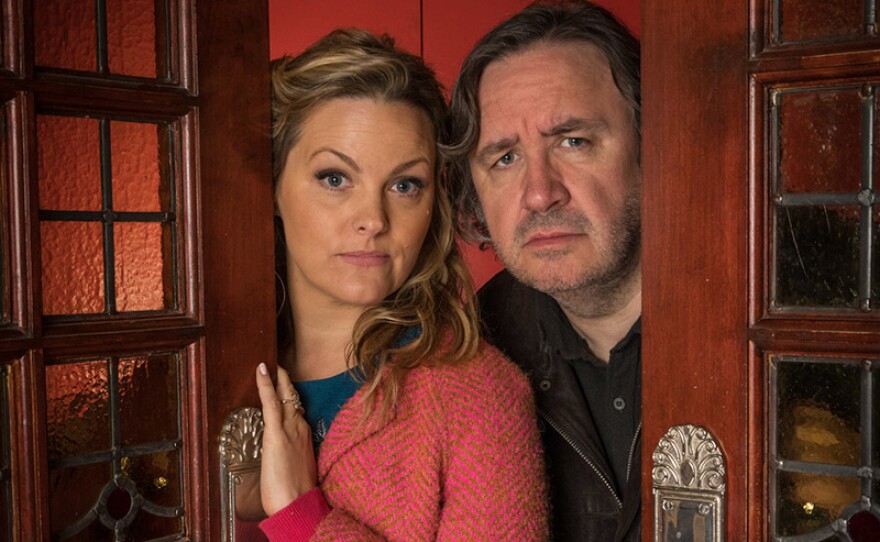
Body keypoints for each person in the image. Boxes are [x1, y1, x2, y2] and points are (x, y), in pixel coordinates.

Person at [252, 28, 549, 541]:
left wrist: (302, 520)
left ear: (434, 204)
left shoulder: (480, 399)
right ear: (273, 186)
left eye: (404, 184)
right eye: (335, 178)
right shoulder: (201, 367)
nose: (373, 219)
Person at [446, 2, 642, 541]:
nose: (539, 194)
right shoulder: (470, 356)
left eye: (573, 141)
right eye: (504, 158)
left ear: (652, 149)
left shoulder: (778, 317)